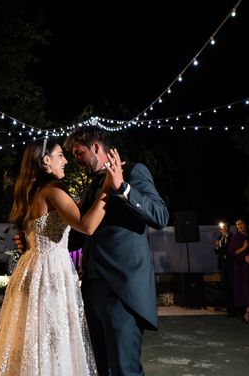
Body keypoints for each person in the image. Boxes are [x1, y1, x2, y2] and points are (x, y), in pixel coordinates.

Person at [0, 138, 122, 376]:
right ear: (46, 161)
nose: (65, 161)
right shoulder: (53, 190)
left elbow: (30, 237)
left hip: (30, 267)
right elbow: (87, 226)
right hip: (52, 270)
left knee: (33, 337)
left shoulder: (28, 192)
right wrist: (108, 185)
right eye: (60, 155)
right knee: (54, 337)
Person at [63, 126, 169, 376]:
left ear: (96, 147)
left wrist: (122, 187)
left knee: (124, 369)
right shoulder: (90, 189)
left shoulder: (134, 171)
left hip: (123, 291)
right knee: (101, 368)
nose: (76, 160)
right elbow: (78, 237)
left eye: (79, 153)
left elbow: (160, 216)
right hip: (92, 289)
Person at [229, 219, 249, 324]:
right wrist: (244, 248)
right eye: (237, 224)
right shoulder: (236, 237)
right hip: (241, 267)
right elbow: (232, 253)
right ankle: (247, 313)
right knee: (245, 289)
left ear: (246, 224)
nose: (240, 226)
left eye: (241, 223)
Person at [214, 220, 235, 316]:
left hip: (231, 265)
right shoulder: (219, 238)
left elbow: (231, 251)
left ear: (228, 227)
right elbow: (217, 252)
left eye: (224, 226)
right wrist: (217, 247)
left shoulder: (232, 237)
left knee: (233, 286)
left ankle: (236, 308)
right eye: (222, 227)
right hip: (223, 265)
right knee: (225, 287)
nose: (223, 228)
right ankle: (229, 309)